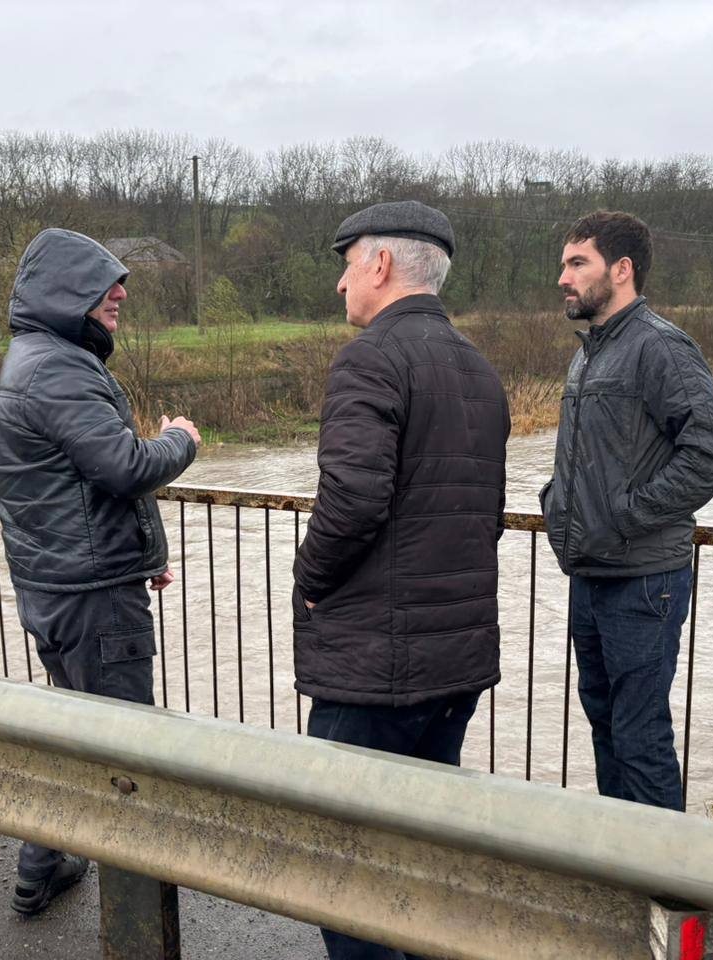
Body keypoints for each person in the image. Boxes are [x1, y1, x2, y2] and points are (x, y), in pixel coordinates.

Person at [292, 201, 509, 960]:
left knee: (345, 864)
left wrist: (310, 579)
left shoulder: (370, 359)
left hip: (374, 669)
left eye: (346, 264)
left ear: (379, 265)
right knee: (426, 856)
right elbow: (485, 515)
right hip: (456, 661)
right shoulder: (477, 368)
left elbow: (351, 502)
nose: (340, 284)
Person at [0, 227, 200, 916]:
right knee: (125, 759)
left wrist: (150, 556)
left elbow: (77, 489)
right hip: (92, 600)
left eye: (121, 283)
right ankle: (136, 916)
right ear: (63, 292)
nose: (121, 294)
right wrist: (180, 440)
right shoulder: (59, 369)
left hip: (59, 588)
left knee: (79, 734)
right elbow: (125, 467)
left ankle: (39, 868)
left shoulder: (38, 358)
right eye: (104, 284)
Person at [541, 210, 713, 812]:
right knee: (605, 724)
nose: (563, 278)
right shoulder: (590, 353)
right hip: (592, 574)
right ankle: (624, 868)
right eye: (564, 264)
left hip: (643, 578)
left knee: (640, 734)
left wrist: (628, 515)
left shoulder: (659, 346)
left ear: (621, 271)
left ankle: (671, 893)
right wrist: (557, 504)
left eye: (578, 263)